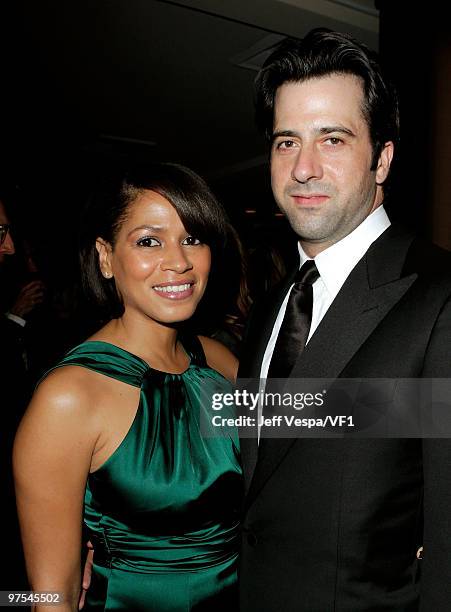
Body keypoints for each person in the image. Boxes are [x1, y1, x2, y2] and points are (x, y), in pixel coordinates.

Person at [238, 29, 451, 611]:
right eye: (287, 142)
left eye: (332, 139)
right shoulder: (274, 303)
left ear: (382, 158)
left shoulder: (440, 300)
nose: (303, 168)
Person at [13, 163, 243, 611]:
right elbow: (46, 596)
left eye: (192, 238)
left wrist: (422, 405)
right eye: (148, 241)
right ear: (105, 256)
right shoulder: (69, 398)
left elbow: (327, 423)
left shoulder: (217, 360)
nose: (178, 261)